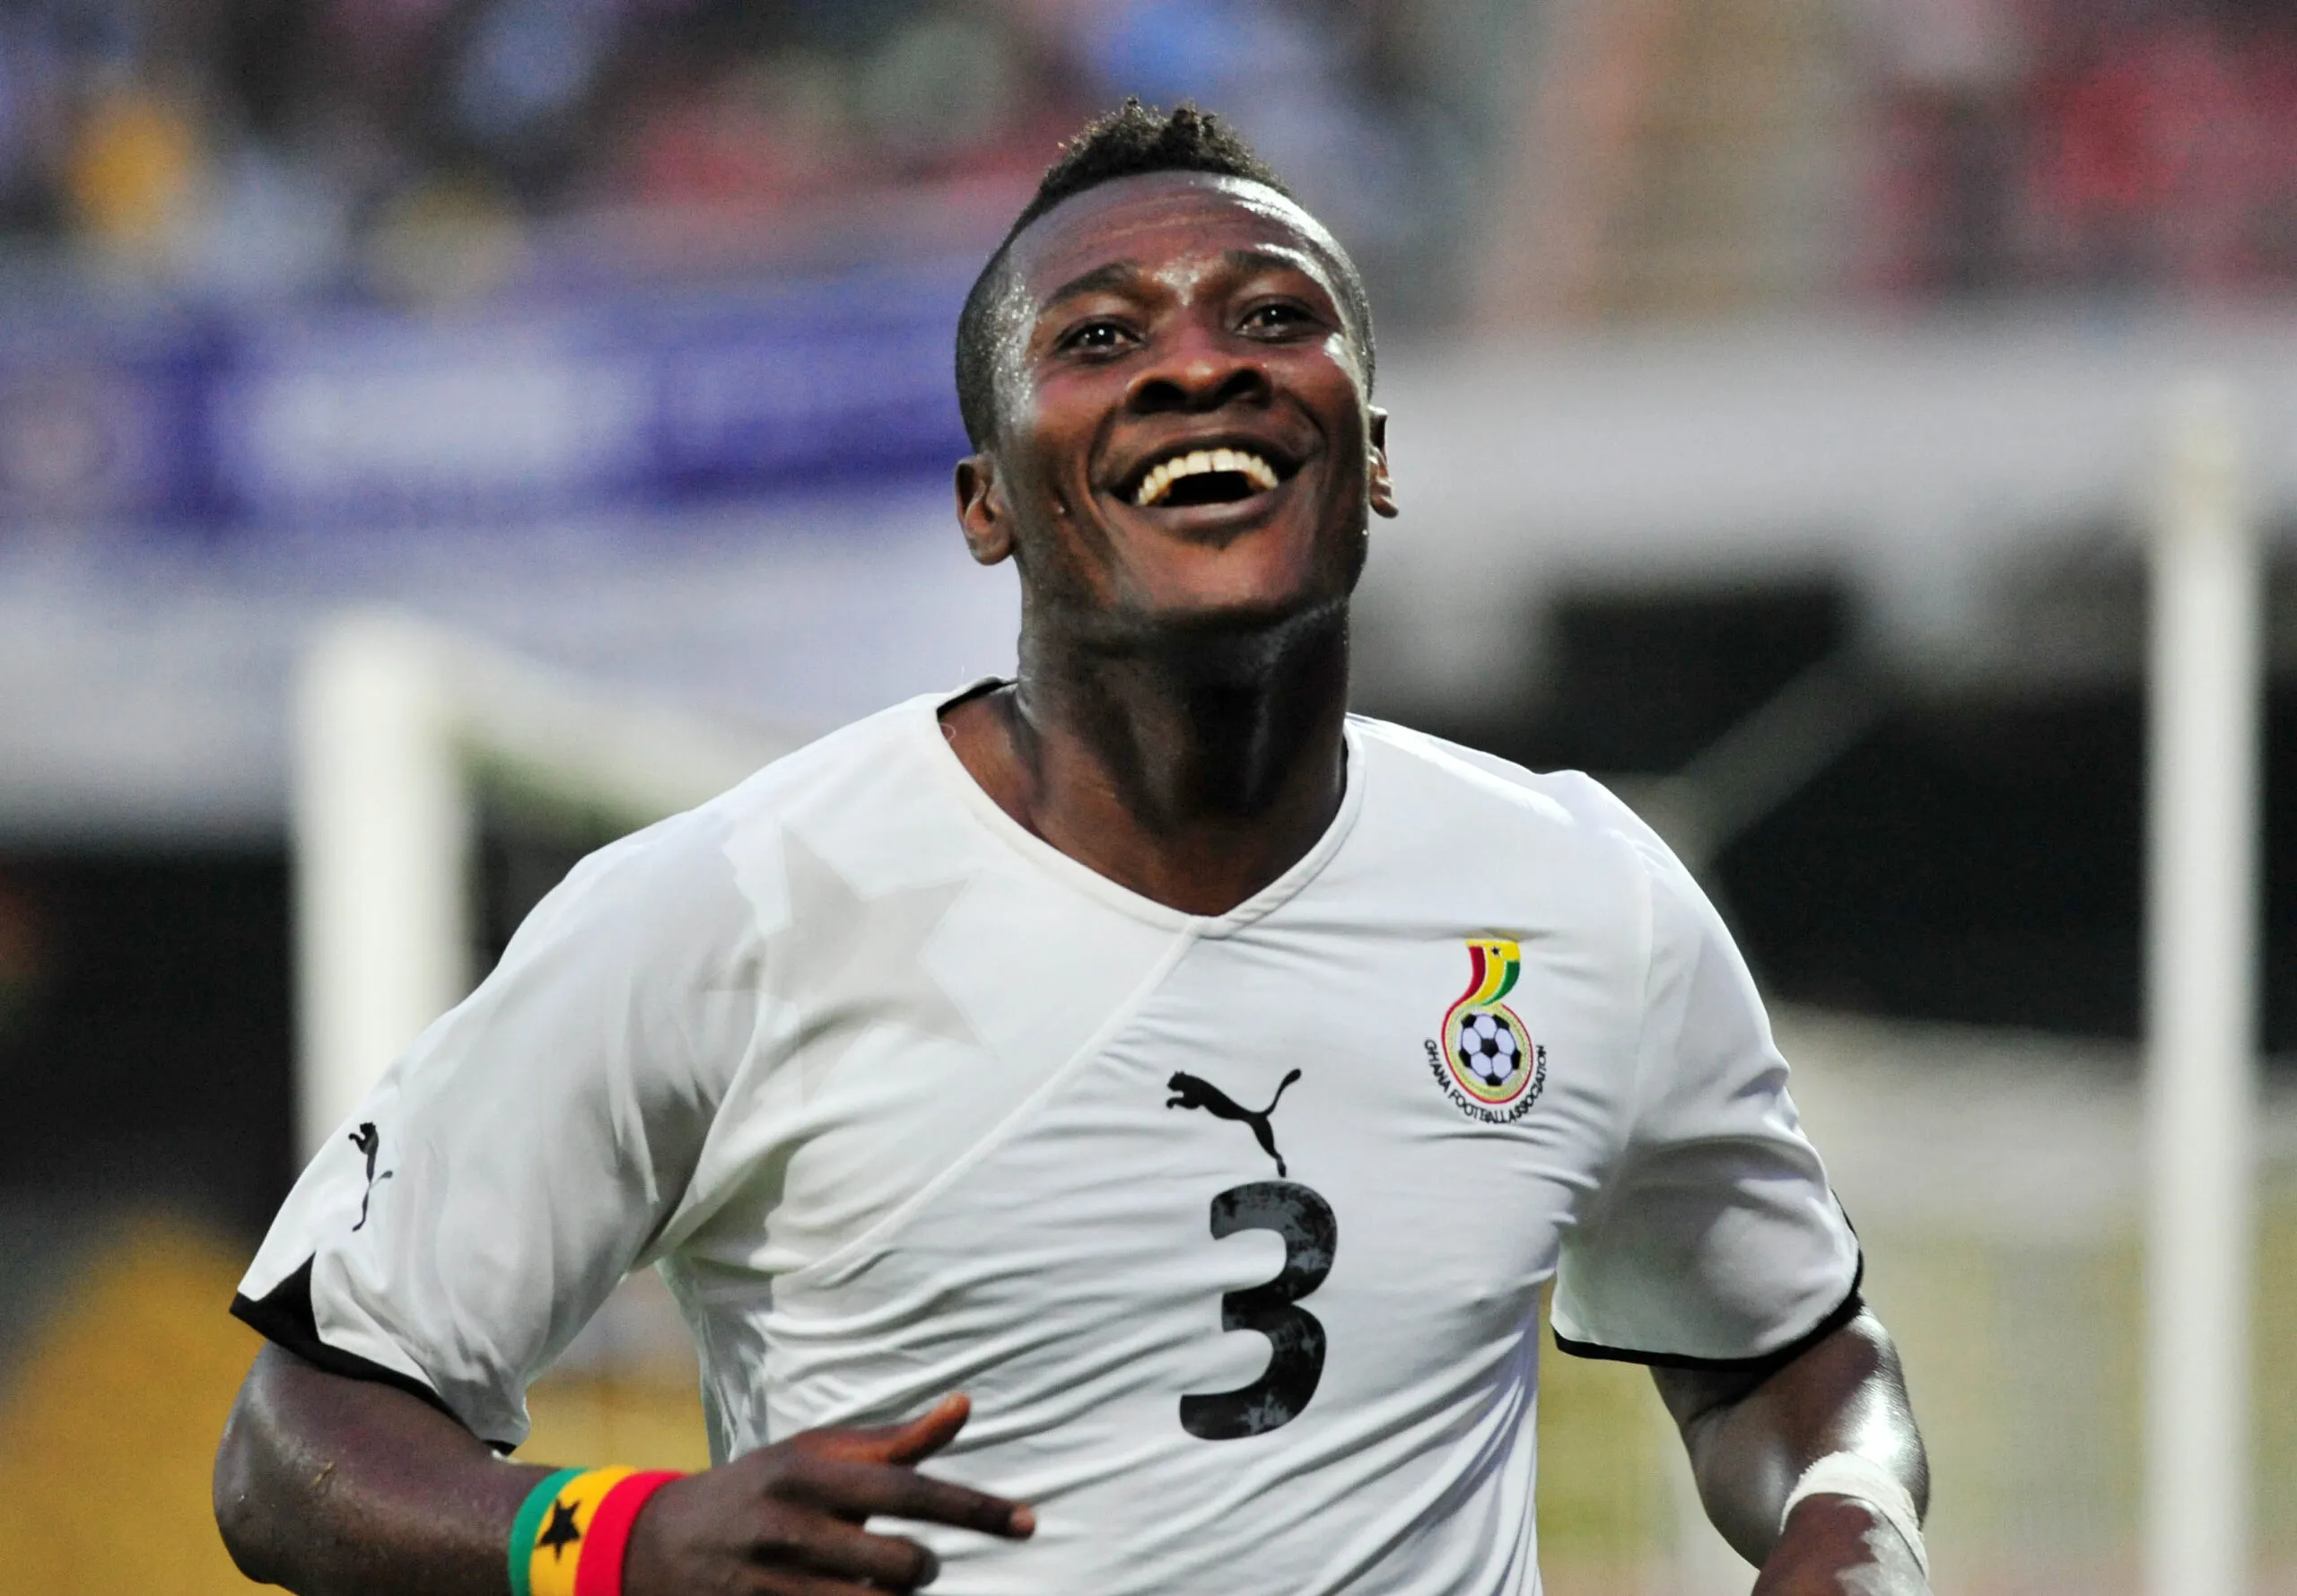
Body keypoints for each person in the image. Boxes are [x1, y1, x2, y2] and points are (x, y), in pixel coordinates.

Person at [214, 102, 1930, 1596]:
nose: (1199, 362)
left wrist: (1851, 1521)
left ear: (1375, 454)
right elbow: (296, 1443)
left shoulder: (1583, 898)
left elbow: (1794, 1361)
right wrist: (621, 1540)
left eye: (1274, 315)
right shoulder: (730, 908)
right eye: (1100, 336)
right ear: (988, 504)